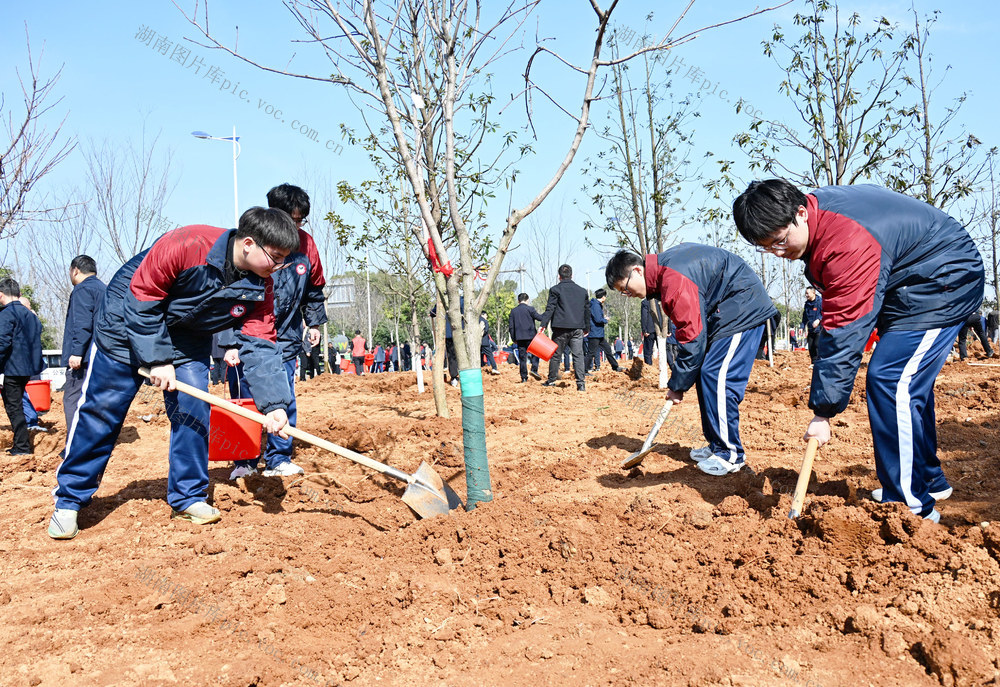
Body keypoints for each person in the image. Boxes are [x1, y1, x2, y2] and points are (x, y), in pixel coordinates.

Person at [732, 180, 985, 523]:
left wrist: (823, 412)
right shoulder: (821, 217)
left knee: (892, 380)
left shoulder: (845, 242)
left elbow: (843, 331)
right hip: (911, 280)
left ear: (801, 213)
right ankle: (926, 479)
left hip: (943, 280)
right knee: (904, 383)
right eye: (767, 248)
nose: (779, 254)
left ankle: (908, 506)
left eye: (780, 241)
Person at [48, 208, 296, 539]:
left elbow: (261, 346)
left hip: (188, 336)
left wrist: (275, 405)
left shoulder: (260, 287)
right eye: (275, 258)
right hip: (127, 320)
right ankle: (69, 499)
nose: (278, 268)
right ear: (249, 244)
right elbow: (144, 297)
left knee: (193, 410)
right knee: (102, 411)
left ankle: (188, 497)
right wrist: (156, 358)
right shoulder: (188, 243)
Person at [607, 247, 776, 475]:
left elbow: (692, 336)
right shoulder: (665, 273)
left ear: (637, 270)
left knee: (718, 377)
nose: (628, 295)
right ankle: (717, 445)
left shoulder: (673, 278)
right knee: (706, 374)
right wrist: (682, 380)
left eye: (625, 289)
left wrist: (677, 385)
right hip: (724, 312)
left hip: (742, 308)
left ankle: (731, 454)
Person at [225, 184, 327, 480]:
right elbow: (231, 298)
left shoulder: (307, 247)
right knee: (245, 395)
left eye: (300, 221)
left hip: (286, 336)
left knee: (283, 396)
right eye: (290, 219)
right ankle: (244, 461)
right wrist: (231, 342)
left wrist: (314, 322)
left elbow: (315, 288)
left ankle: (278, 458)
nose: (294, 227)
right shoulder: (252, 246)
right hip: (250, 337)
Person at [61, 255, 107, 437]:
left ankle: (75, 445)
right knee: (93, 400)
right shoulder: (104, 289)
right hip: (101, 356)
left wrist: (76, 352)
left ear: (75, 270)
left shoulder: (82, 289)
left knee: (72, 399)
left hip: (84, 357)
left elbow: (82, 324)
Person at [0, 279, 43, 456]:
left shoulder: (6, 314)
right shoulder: (30, 314)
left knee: (13, 406)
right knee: (16, 405)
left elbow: (2, 342)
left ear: (1, 295)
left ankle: (22, 446)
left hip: (12, 367)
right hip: (27, 368)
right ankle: (21, 443)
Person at [539, 265, 589, 391]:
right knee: (578, 355)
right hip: (577, 328)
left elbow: (550, 308)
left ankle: (551, 381)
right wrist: (587, 327)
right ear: (572, 275)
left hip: (560, 328)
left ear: (559, 276)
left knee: (556, 355)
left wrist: (543, 325)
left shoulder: (555, 290)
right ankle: (581, 384)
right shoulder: (582, 291)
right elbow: (586, 311)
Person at [585, 289, 622, 373]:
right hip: (595, 333)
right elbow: (598, 319)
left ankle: (615, 367)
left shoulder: (596, 304)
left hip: (599, 334)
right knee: (591, 353)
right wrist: (605, 320)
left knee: (608, 350)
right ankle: (583, 370)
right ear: (603, 297)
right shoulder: (596, 306)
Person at [509, 293, 542, 382]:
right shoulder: (530, 309)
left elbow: (511, 327)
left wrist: (513, 338)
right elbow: (539, 318)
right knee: (536, 353)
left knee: (522, 358)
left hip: (519, 338)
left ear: (518, 301)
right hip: (531, 337)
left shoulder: (513, 311)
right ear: (527, 300)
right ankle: (534, 369)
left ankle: (524, 377)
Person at [802, 286, 823, 363]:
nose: (806, 295)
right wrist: (802, 327)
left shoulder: (820, 302)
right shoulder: (807, 304)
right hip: (810, 329)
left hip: (820, 329)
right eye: (805, 293)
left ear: (813, 293)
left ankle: (819, 363)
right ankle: (813, 363)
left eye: (807, 293)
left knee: (817, 345)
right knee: (810, 346)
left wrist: (818, 319)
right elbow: (804, 317)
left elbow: (824, 313)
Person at [640, 298, 657, 364]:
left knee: (648, 353)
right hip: (661, 330)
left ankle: (649, 368)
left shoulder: (645, 302)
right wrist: (668, 329)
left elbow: (644, 316)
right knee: (664, 351)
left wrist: (644, 330)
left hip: (649, 330)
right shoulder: (661, 300)